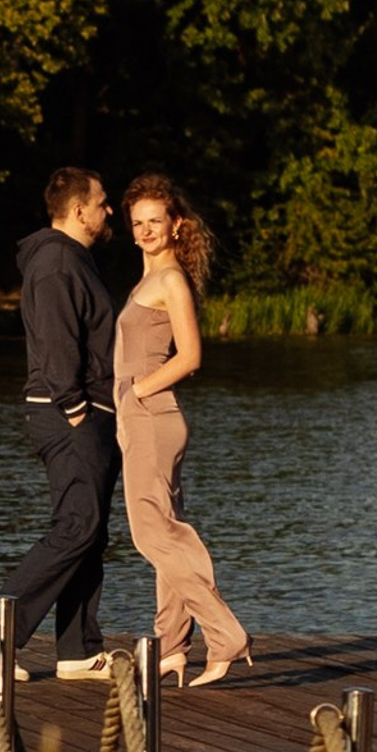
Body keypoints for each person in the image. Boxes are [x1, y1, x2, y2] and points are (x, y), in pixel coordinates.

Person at [116, 174, 251, 687]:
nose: (147, 230)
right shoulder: (148, 279)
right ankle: (172, 645)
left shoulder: (171, 279)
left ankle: (226, 634)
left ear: (176, 225)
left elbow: (191, 357)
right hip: (142, 417)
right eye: (139, 223)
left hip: (151, 415)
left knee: (153, 533)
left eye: (156, 221)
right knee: (164, 530)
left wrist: (138, 390)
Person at [0, 168, 120, 681]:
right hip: (68, 413)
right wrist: (75, 407)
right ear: (79, 209)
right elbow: (58, 340)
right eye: (103, 202)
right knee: (77, 525)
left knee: (91, 530)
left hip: (89, 412)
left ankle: (78, 650)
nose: (108, 211)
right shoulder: (56, 261)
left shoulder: (73, 260)